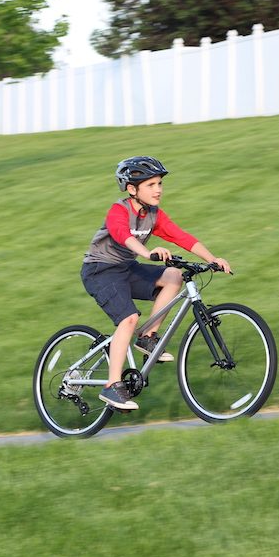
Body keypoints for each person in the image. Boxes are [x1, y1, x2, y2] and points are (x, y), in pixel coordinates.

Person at [81, 156, 231, 411]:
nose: (158, 189)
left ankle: (148, 337)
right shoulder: (119, 211)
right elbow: (123, 236)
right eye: (150, 185)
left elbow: (180, 236)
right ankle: (112, 385)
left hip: (126, 268)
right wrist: (147, 253)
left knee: (174, 275)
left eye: (159, 183)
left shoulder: (153, 214)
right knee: (129, 318)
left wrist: (212, 259)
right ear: (132, 189)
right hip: (100, 270)